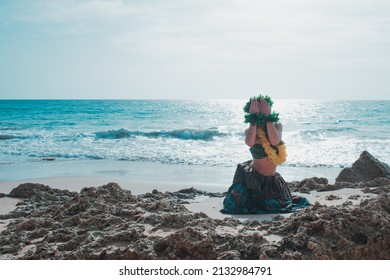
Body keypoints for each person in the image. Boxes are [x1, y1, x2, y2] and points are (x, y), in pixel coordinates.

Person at [221, 95, 309, 214]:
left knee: (277, 205)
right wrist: (253, 119)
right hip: (252, 180)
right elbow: (249, 142)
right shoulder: (250, 130)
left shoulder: (277, 126)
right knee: (238, 205)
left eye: (264, 109)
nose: (261, 114)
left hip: (271, 181)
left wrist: (268, 118)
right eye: (259, 112)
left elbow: (275, 141)